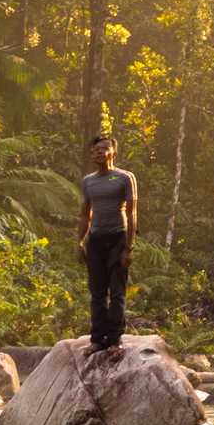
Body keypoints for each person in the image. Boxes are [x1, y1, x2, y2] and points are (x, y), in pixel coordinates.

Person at [77, 133, 137, 350]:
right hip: (95, 240)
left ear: (113, 151)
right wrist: (80, 241)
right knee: (97, 292)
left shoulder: (124, 177)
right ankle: (97, 339)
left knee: (117, 292)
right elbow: (85, 214)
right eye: (95, 150)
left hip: (118, 238)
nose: (98, 153)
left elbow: (132, 213)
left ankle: (114, 340)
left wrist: (129, 247)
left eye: (103, 149)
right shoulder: (88, 181)